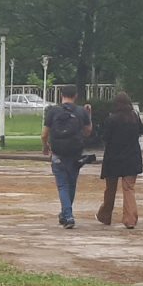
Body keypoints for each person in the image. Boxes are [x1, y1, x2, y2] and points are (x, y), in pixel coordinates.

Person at [41, 87, 91, 229]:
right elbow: (88, 132)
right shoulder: (81, 111)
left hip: (58, 153)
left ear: (61, 95)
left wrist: (45, 146)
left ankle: (68, 216)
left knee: (63, 185)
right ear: (75, 96)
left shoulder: (53, 111)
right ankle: (65, 214)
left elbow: (44, 134)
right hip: (75, 153)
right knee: (71, 184)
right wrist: (89, 115)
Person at [95, 91, 143, 229]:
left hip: (113, 158)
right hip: (132, 157)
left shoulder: (111, 119)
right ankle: (130, 219)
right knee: (129, 189)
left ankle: (105, 216)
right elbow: (142, 131)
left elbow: (105, 137)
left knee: (110, 190)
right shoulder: (134, 117)